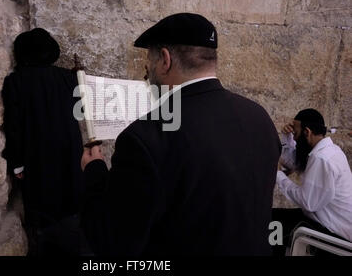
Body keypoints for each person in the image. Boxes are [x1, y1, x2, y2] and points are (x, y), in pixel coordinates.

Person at [79, 13, 282, 256]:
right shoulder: (258, 117)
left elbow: (112, 242)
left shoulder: (144, 137)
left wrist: (94, 172)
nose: (148, 74)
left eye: (148, 64)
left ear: (165, 60)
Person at [1, 28, 87, 255]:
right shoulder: (67, 78)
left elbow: (14, 125)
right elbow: (81, 110)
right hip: (69, 149)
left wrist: (17, 162)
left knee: (43, 208)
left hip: (37, 154)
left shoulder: (16, 82)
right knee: (71, 204)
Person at [273, 109, 352, 255]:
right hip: (321, 220)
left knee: (272, 228)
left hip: (334, 233)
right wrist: (287, 138)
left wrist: (278, 176)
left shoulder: (322, 158)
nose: (295, 139)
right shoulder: (327, 150)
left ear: (307, 132)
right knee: (270, 217)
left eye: (296, 134)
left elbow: (309, 202)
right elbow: (296, 163)